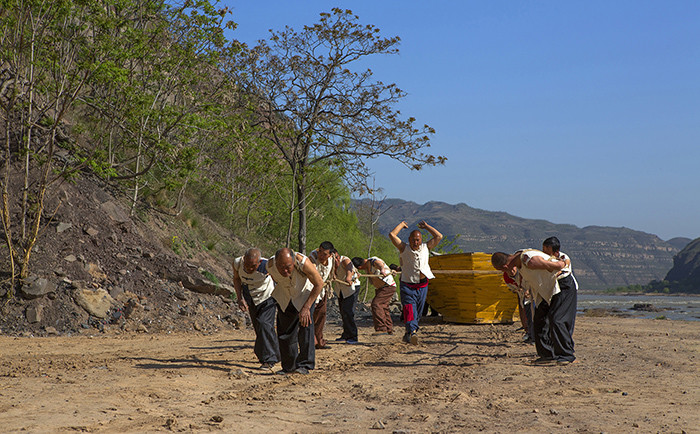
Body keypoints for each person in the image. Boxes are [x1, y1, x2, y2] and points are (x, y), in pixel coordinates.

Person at [491, 248, 570, 365]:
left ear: (505, 266)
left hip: (557, 287)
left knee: (556, 320)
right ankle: (547, 354)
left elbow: (557, 265)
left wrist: (564, 263)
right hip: (542, 292)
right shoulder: (520, 265)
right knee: (540, 321)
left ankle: (566, 355)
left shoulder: (528, 260)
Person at [267, 248, 324, 375]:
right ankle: (288, 366)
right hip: (285, 296)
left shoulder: (303, 262)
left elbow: (319, 283)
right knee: (285, 331)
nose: (285, 270)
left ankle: (305, 364)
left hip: (305, 295)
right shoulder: (270, 265)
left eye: (288, 267)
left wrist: (307, 307)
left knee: (305, 327)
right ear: (276, 263)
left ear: (294, 262)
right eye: (281, 267)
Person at [388, 220, 443, 345]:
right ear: (409, 239)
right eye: (413, 240)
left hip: (422, 285)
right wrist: (401, 225)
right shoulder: (404, 248)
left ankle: (409, 332)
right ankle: (413, 332)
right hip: (407, 285)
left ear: (421, 240)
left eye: (418, 240)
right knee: (409, 309)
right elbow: (392, 235)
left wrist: (427, 227)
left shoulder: (426, 247)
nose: (415, 242)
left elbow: (439, 236)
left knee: (417, 312)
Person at [232, 248, 280, 370]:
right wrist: (240, 298)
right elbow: (237, 279)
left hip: (267, 296)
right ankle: (276, 353)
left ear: (259, 263)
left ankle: (269, 359)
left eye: (253, 266)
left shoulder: (267, 266)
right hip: (250, 296)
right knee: (259, 328)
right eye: (247, 265)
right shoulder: (237, 263)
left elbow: (279, 279)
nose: (249, 268)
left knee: (264, 324)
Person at [540, 236, 579, 365]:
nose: (544, 251)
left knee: (559, 319)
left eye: (546, 249)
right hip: (556, 289)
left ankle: (566, 353)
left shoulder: (562, 257)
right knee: (553, 318)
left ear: (554, 251)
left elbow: (564, 263)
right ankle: (557, 351)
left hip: (566, 287)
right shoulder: (544, 258)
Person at [352, 255, 397, 335]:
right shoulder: (367, 267)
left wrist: (382, 270)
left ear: (360, 267)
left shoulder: (372, 261)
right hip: (382, 287)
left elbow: (378, 263)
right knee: (383, 306)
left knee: (376, 304)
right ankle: (388, 328)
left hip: (387, 286)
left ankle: (382, 328)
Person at [309, 241, 335, 349]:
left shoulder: (332, 259)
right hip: (311, 289)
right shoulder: (312, 257)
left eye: (324, 254)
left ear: (330, 255)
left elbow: (332, 270)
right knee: (310, 314)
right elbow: (312, 267)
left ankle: (319, 340)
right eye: (320, 252)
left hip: (323, 289)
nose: (321, 255)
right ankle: (311, 340)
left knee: (321, 314)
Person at [333, 250, 361, 343]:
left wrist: (349, 277)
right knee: (343, 311)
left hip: (351, 288)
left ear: (338, 256)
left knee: (348, 311)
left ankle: (353, 336)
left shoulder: (345, 260)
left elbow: (350, 268)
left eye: (336, 258)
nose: (335, 260)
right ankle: (346, 334)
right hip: (340, 289)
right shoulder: (329, 263)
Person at [502, 269, 534, 343]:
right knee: (527, 313)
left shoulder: (523, 271)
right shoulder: (507, 277)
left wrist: (528, 290)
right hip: (523, 296)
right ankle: (529, 332)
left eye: (513, 269)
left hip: (533, 295)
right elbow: (513, 288)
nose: (512, 271)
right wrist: (519, 290)